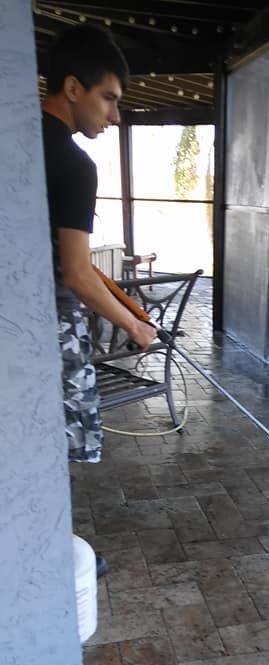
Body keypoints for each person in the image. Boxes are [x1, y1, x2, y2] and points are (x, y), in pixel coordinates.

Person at [41, 25, 156, 576]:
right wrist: (135, 330)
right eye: (108, 98)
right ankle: (49, 550)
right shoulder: (72, 163)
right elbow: (76, 274)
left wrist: (121, 301)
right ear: (71, 87)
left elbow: (77, 265)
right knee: (52, 440)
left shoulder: (20, 140)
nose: (114, 116)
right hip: (44, 330)